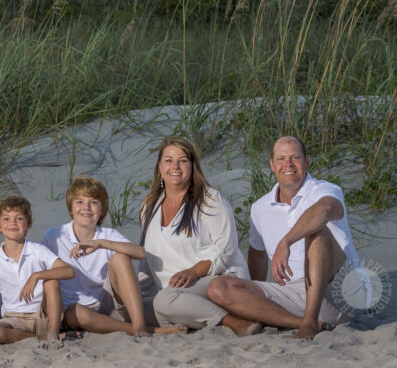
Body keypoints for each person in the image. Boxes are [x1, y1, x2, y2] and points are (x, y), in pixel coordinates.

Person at [207, 135, 364, 340]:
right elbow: (257, 252)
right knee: (218, 287)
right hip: (295, 294)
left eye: (295, 157)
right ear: (272, 165)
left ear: (307, 162)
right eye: (281, 159)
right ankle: (302, 321)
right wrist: (254, 292)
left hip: (342, 291)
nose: (288, 164)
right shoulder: (260, 208)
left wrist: (286, 242)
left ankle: (309, 323)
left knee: (316, 231)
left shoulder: (325, 190)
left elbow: (325, 209)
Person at [42, 175, 184, 337]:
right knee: (75, 312)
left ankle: (139, 325)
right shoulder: (54, 236)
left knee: (120, 258)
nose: (86, 207)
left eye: (94, 202)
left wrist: (101, 243)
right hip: (74, 311)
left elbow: (140, 253)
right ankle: (146, 330)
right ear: (70, 207)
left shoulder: (107, 234)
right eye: (79, 202)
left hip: (108, 305)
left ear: (102, 209)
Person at [137, 137, 249, 331]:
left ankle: (232, 322)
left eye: (182, 160)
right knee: (131, 311)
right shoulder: (149, 206)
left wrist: (194, 271)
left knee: (164, 301)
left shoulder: (209, 199)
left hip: (213, 280)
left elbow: (226, 250)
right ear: (159, 166)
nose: (175, 166)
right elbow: (147, 259)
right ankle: (187, 317)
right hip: (174, 294)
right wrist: (138, 294)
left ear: (192, 165)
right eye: (169, 160)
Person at [0, 196, 74, 343]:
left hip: (44, 316)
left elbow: (69, 271)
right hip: (15, 319)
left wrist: (36, 276)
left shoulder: (37, 250)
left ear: (28, 224)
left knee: (51, 280)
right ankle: (42, 338)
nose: (12, 223)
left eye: (19, 218)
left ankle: (53, 334)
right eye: (6, 219)